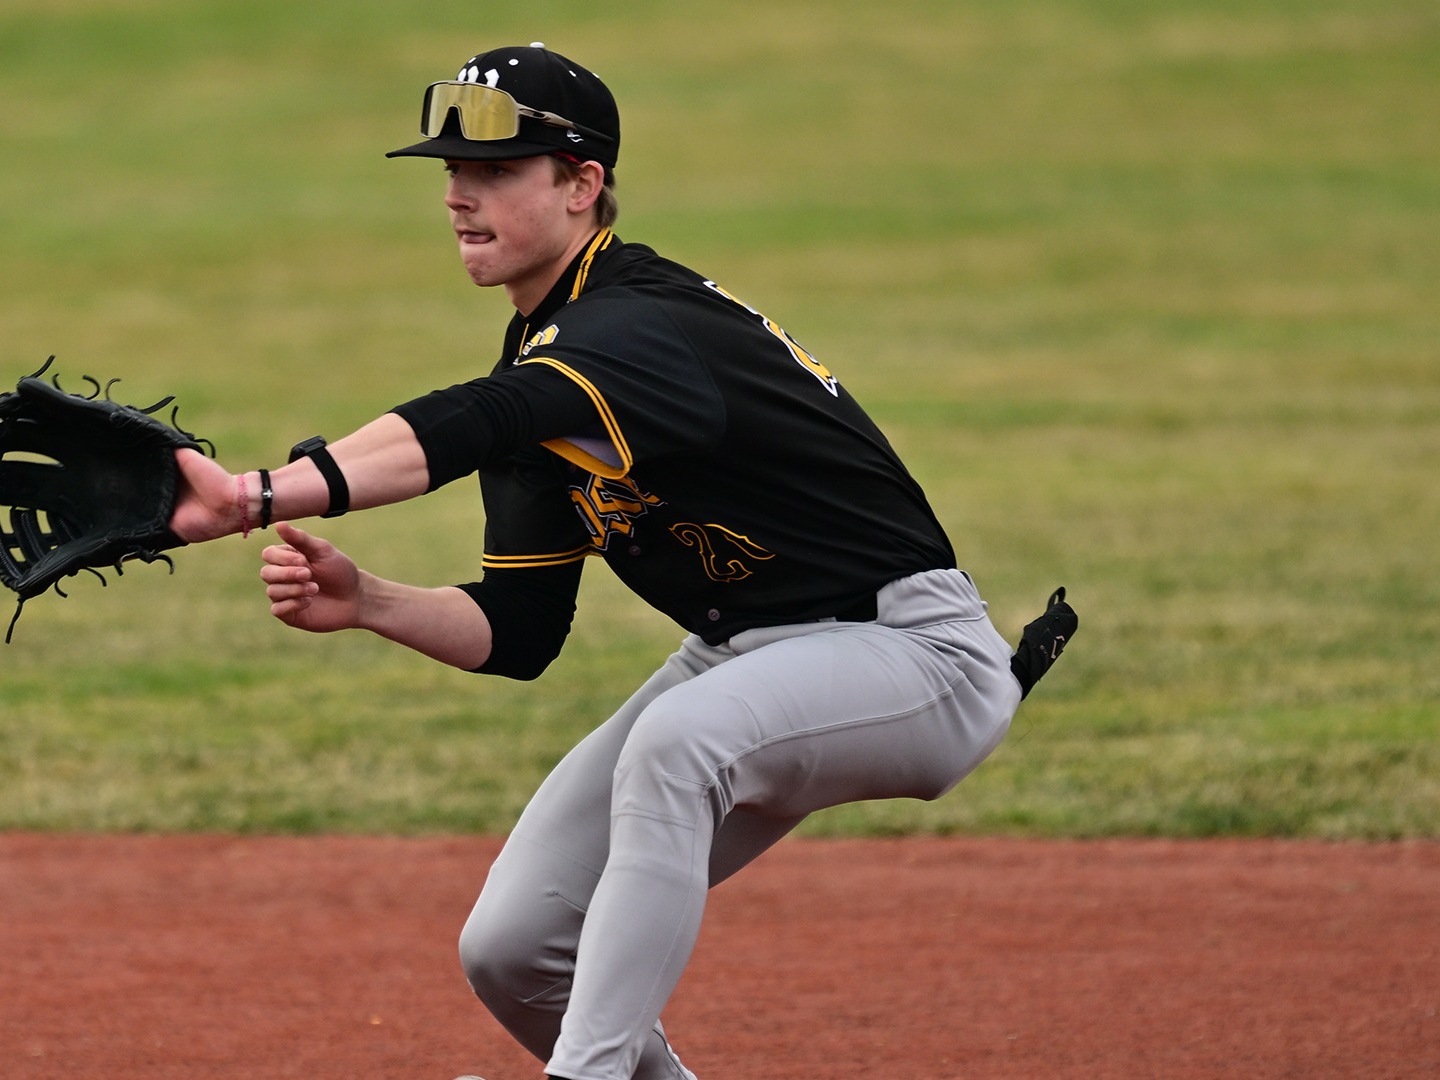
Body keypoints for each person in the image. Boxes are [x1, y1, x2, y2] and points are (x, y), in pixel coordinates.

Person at [168, 43, 1068, 1080]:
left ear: (583, 184)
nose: (461, 196)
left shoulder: (644, 325)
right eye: (452, 173)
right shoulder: (546, 365)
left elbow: (477, 419)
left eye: (497, 172)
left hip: (915, 655)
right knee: (511, 950)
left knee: (679, 746)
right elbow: (520, 632)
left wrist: (255, 496)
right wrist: (370, 598)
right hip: (750, 659)